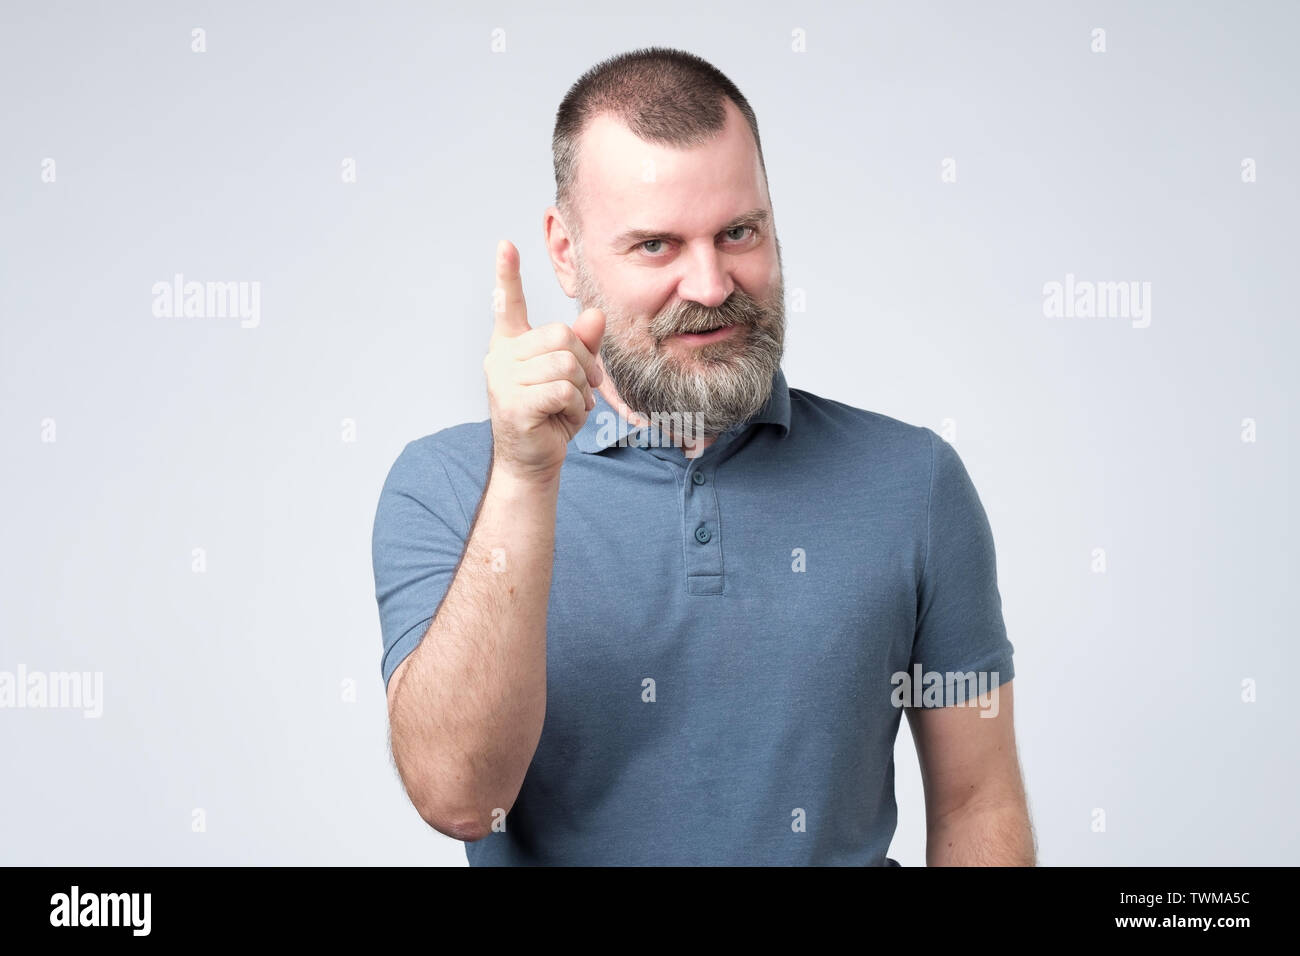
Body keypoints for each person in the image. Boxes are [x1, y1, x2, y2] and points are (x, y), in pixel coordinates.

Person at [372, 46, 1035, 865]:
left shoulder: (916, 483)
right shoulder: (448, 487)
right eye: (656, 245)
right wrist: (526, 473)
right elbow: (459, 796)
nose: (713, 284)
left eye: (739, 232)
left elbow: (979, 803)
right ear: (566, 252)